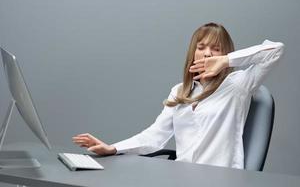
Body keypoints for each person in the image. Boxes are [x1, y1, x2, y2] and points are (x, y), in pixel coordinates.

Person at [72, 22, 284, 169]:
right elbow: (155, 136)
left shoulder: (238, 85)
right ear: (193, 53)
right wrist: (113, 148)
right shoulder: (180, 91)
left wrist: (227, 60)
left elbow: (275, 50)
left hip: (221, 179)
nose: (208, 53)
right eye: (201, 47)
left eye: (216, 49)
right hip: (181, 178)